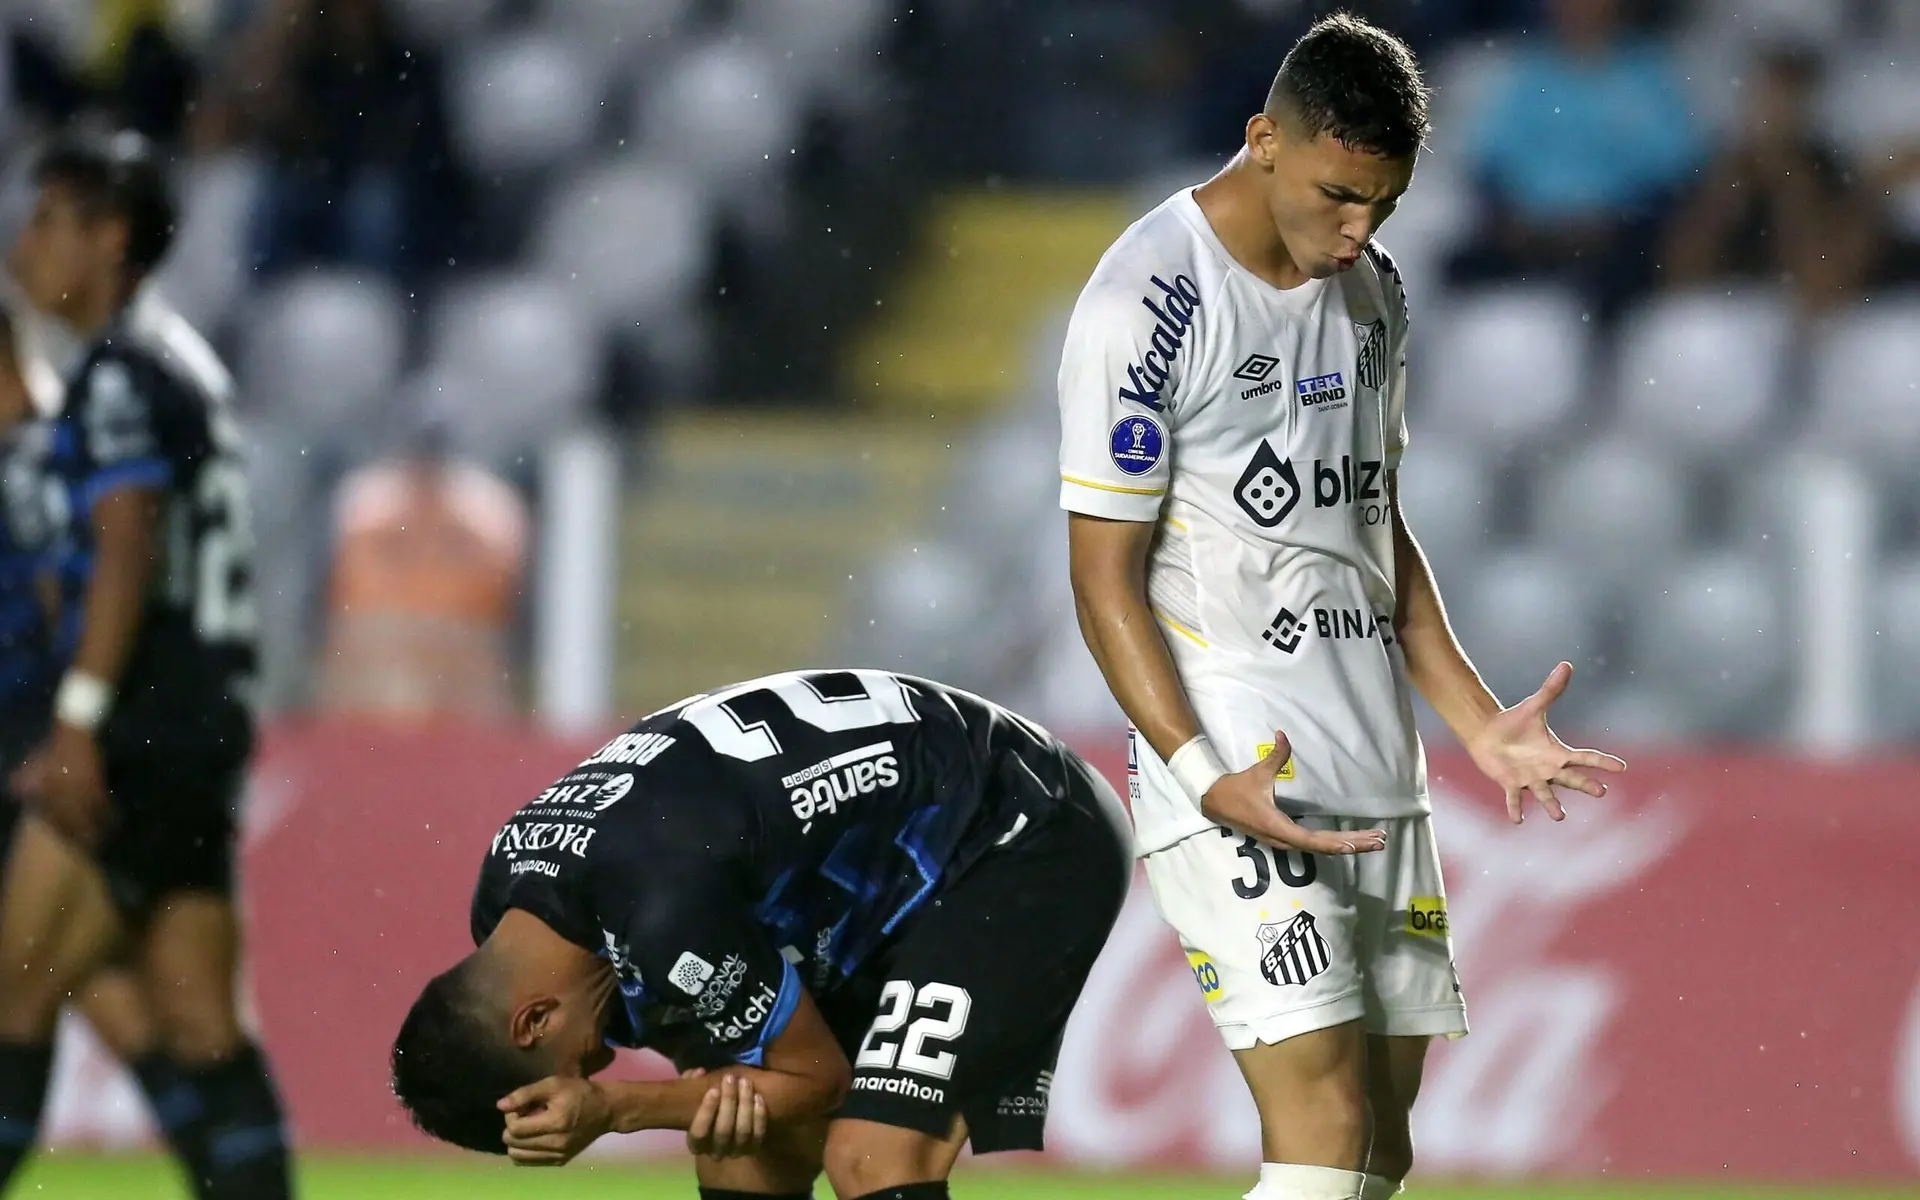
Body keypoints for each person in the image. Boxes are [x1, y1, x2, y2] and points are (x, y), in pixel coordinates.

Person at [1056, 15, 1626, 1200]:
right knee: (1319, 1122)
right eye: (1337, 194)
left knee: (1380, 1147)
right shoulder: (1148, 300)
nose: (1357, 228)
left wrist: (1475, 723)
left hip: (1376, 757)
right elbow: (1101, 571)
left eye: (1385, 202)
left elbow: (1372, 524)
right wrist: (1199, 770)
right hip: (1234, 760)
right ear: (1264, 139)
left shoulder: (1373, 295)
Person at [391, 668, 1130, 1200]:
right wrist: (718, 1090)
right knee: (738, 1149)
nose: (602, 1057)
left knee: (875, 1157)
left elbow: (816, 1081)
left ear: (532, 1020)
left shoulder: (660, 910)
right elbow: (745, 1082)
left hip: (1018, 830)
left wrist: (617, 1111)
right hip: (878, 882)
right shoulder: (511, 902)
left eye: (577, 1070)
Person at [0, 129, 292, 1200]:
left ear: (108, 238)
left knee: (13, 1000)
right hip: (203, 724)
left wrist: (78, 717)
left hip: (134, 728)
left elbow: (125, 544)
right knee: (200, 1027)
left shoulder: (120, 374)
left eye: (47, 222)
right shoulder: (185, 363)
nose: (24, 245)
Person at [1662, 44, 1880, 314]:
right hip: (1725, 303)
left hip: (1792, 314)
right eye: (1763, 96)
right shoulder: (1724, 163)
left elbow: (1822, 282)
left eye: (1783, 99)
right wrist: (1725, 195)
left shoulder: (1830, 169)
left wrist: (1789, 181)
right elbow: (1680, 272)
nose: (1771, 112)